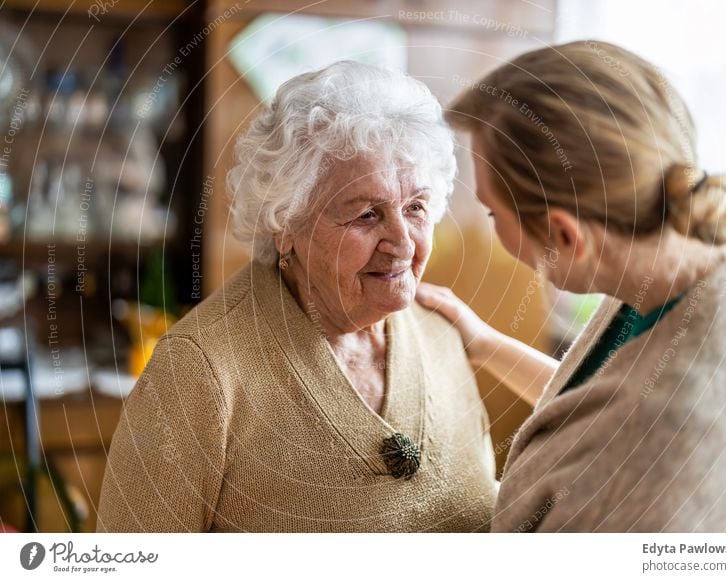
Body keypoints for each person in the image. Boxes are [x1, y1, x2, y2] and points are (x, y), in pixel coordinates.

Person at [97, 61, 497, 532]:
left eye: (415, 208)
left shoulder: (442, 334)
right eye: (367, 214)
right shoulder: (199, 372)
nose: (404, 244)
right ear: (285, 225)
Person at [417, 40, 726, 532]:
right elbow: (596, 413)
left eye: (493, 211)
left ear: (565, 235)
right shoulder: (713, 253)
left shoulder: (662, 453)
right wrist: (486, 345)